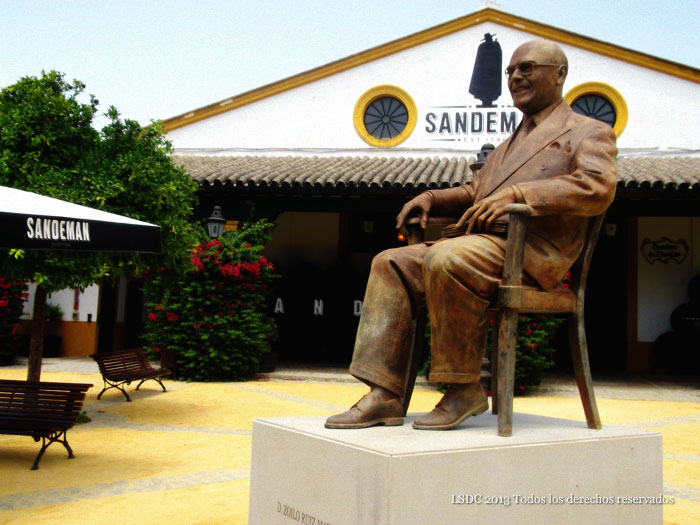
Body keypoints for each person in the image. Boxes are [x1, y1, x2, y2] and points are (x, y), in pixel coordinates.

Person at [325, 40, 618, 430]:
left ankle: (464, 389)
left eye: (526, 68)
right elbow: (473, 193)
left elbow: (597, 186)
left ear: (560, 74)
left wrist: (521, 194)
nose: (515, 78)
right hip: (480, 246)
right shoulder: (506, 146)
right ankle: (385, 394)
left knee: (448, 258)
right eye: (510, 72)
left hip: (531, 253)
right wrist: (431, 197)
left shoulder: (588, 131)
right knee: (391, 262)